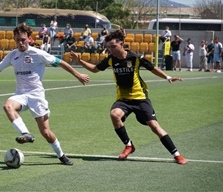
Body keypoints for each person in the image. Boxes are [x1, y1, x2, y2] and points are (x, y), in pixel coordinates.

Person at [0, 23, 90, 165]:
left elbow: (61, 62)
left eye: (23, 39)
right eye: (18, 40)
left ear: (29, 39)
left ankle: (61, 155)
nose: (21, 42)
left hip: (37, 96)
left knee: (46, 132)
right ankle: (26, 134)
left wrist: (78, 75)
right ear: (14, 39)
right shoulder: (12, 56)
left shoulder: (37, 54)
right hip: (21, 95)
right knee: (8, 106)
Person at [69, 29, 187, 165]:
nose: (111, 50)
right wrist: (80, 61)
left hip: (140, 98)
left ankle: (176, 154)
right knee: (114, 115)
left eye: (113, 46)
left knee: (154, 126)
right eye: (108, 47)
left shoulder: (135, 57)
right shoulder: (111, 60)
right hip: (123, 100)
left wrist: (168, 77)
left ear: (122, 43)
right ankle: (129, 145)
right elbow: (95, 69)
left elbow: (152, 68)